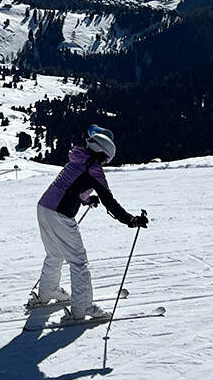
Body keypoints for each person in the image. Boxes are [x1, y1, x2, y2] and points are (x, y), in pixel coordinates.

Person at [33, 125, 149, 321]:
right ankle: (82, 307)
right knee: (78, 261)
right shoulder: (93, 169)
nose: (103, 163)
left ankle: (47, 292)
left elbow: (69, 186)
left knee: (54, 254)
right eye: (105, 159)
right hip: (60, 215)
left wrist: (86, 199)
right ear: (101, 153)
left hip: (44, 208)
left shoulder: (78, 159)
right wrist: (130, 220)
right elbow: (109, 201)